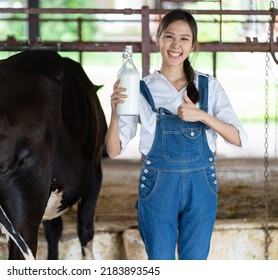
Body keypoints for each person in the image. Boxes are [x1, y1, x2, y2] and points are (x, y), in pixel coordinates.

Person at [105, 9, 248, 260]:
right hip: (158, 189)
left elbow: (238, 138)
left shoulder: (208, 86)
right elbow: (113, 150)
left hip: (200, 189)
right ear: (158, 39)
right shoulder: (140, 88)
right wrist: (115, 113)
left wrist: (202, 116)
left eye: (184, 38)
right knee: (161, 264)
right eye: (169, 37)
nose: (175, 45)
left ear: (192, 45)